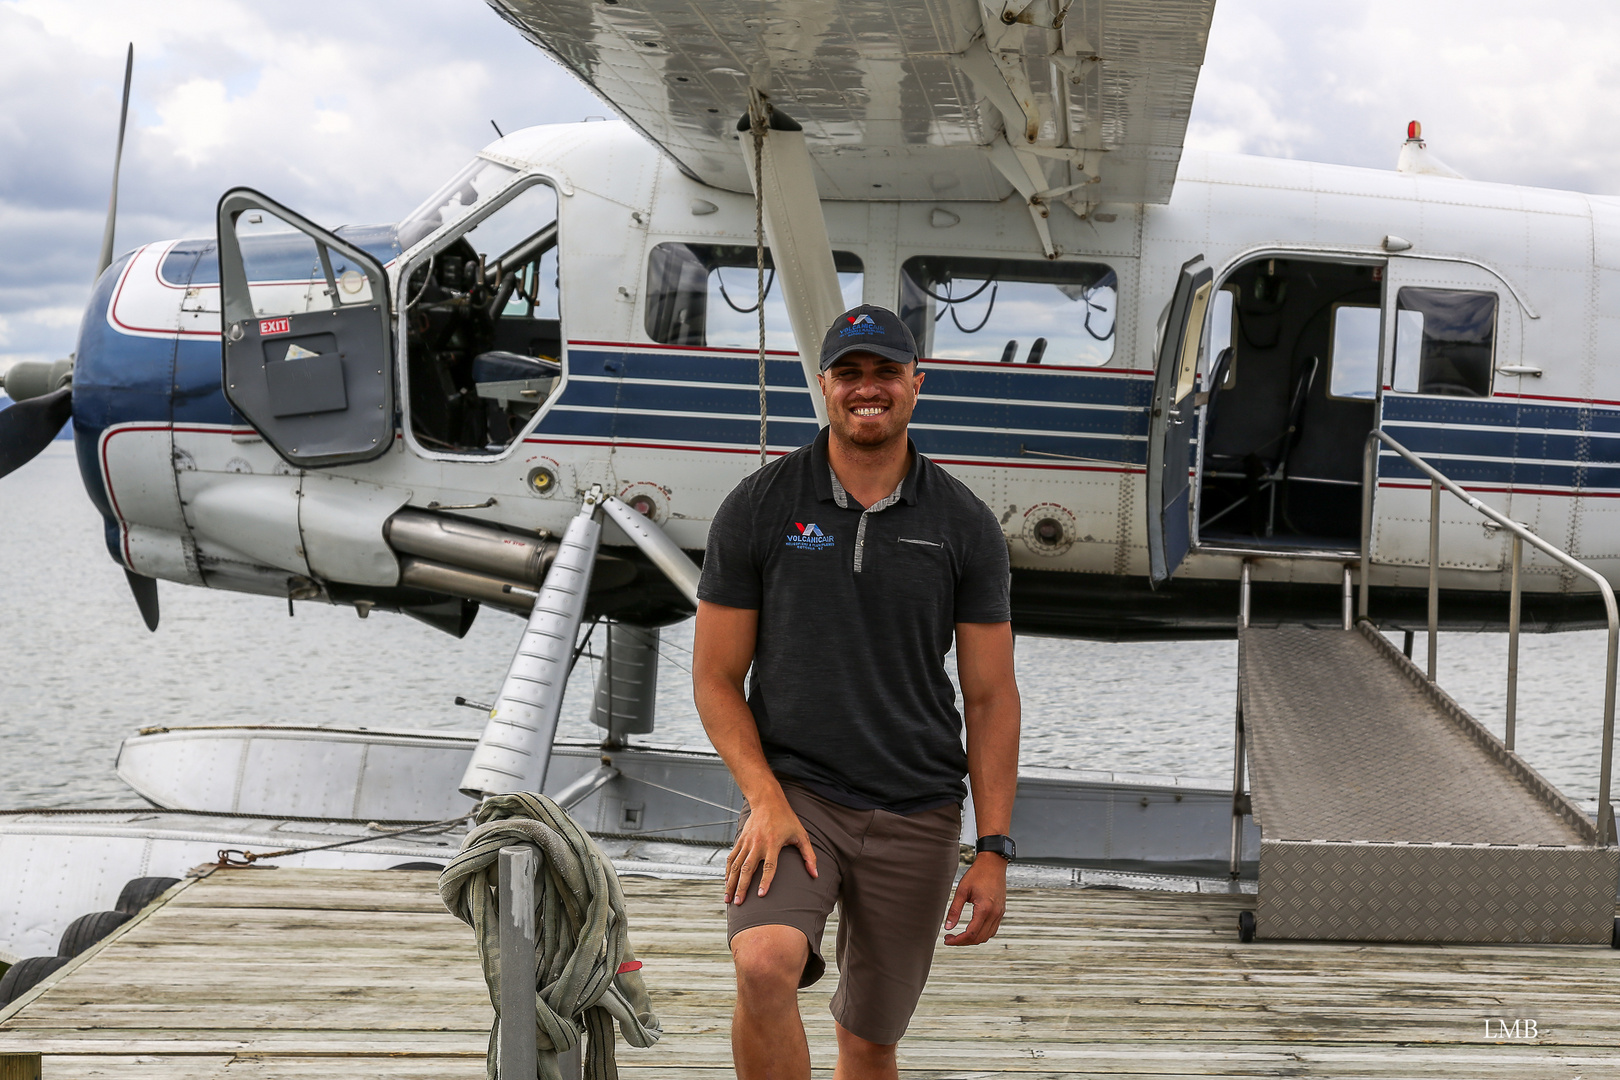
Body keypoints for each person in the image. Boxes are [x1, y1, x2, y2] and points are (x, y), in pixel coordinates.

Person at [692, 304, 1021, 1079]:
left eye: (884, 372)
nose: (866, 389)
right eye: (850, 374)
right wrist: (764, 797)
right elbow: (714, 678)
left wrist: (995, 850)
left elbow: (991, 698)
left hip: (919, 807)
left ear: (916, 383)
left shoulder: (965, 525)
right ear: (825, 385)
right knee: (764, 964)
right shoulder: (762, 505)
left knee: (869, 1041)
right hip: (798, 794)